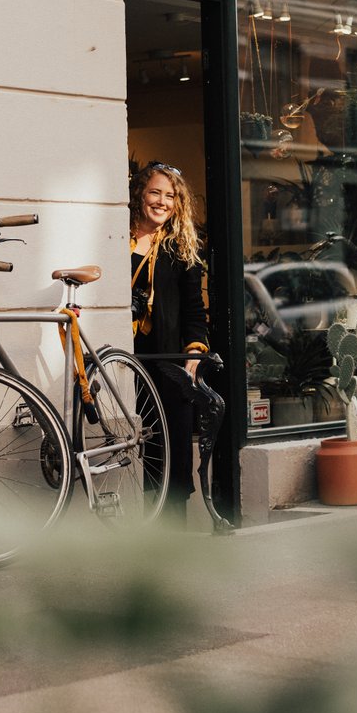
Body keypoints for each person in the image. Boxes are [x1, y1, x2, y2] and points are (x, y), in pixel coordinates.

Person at [129, 161, 209, 522]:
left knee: (172, 444)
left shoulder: (180, 247)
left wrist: (194, 351)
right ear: (140, 195)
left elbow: (195, 308)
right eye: (155, 193)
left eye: (170, 195)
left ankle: (173, 531)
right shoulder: (119, 238)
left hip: (168, 358)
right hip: (127, 358)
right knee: (137, 442)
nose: (162, 201)